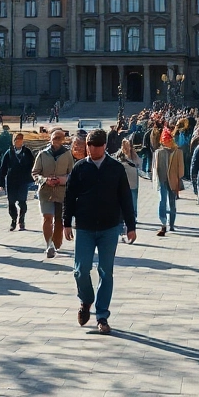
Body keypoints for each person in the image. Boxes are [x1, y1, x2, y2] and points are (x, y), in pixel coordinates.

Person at [63, 128, 137, 335]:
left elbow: (125, 198)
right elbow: (69, 197)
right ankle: (86, 300)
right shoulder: (80, 168)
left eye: (94, 146)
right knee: (80, 269)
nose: (90, 150)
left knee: (106, 271)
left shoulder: (115, 168)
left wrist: (131, 226)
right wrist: (66, 222)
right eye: (88, 145)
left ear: (103, 146)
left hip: (109, 227)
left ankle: (102, 315)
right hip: (85, 227)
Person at [33, 129, 75, 258]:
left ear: (62, 140)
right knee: (47, 217)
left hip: (62, 192)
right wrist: (45, 180)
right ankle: (49, 245)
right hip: (46, 191)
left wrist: (63, 180)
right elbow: (35, 173)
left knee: (59, 220)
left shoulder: (67, 154)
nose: (55, 141)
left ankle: (57, 243)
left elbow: (72, 174)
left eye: (58, 138)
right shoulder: (43, 154)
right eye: (54, 138)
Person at [1, 132, 35, 230]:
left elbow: (32, 165)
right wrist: (1, 183)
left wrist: (32, 176)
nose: (18, 142)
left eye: (20, 139)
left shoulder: (27, 152)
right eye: (16, 140)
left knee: (22, 201)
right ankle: (13, 220)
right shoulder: (9, 152)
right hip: (11, 181)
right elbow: (3, 168)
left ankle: (21, 219)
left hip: (23, 181)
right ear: (13, 141)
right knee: (11, 202)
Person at [153, 129, 185, 236]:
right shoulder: (159, 152)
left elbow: (181, 168)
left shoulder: (178, 152)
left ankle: (171, 224)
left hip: (173, 180)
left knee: (172, 202)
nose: (167, 142)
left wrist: (178, 178)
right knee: (162, 200)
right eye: (165, 140)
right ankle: (163, 222)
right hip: (162, 179)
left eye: (168, 140)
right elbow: (156, 167)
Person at [113, 136, 142, 222]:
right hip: (124, 183)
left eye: (128, 145)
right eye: (125, 145)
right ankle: (124, 216)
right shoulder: (119, 155)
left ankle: (133, 216)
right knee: (124, 200)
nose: (127, 147)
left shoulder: (133, 155)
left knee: (133, 200)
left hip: (133, 182)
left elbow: (139, 164)